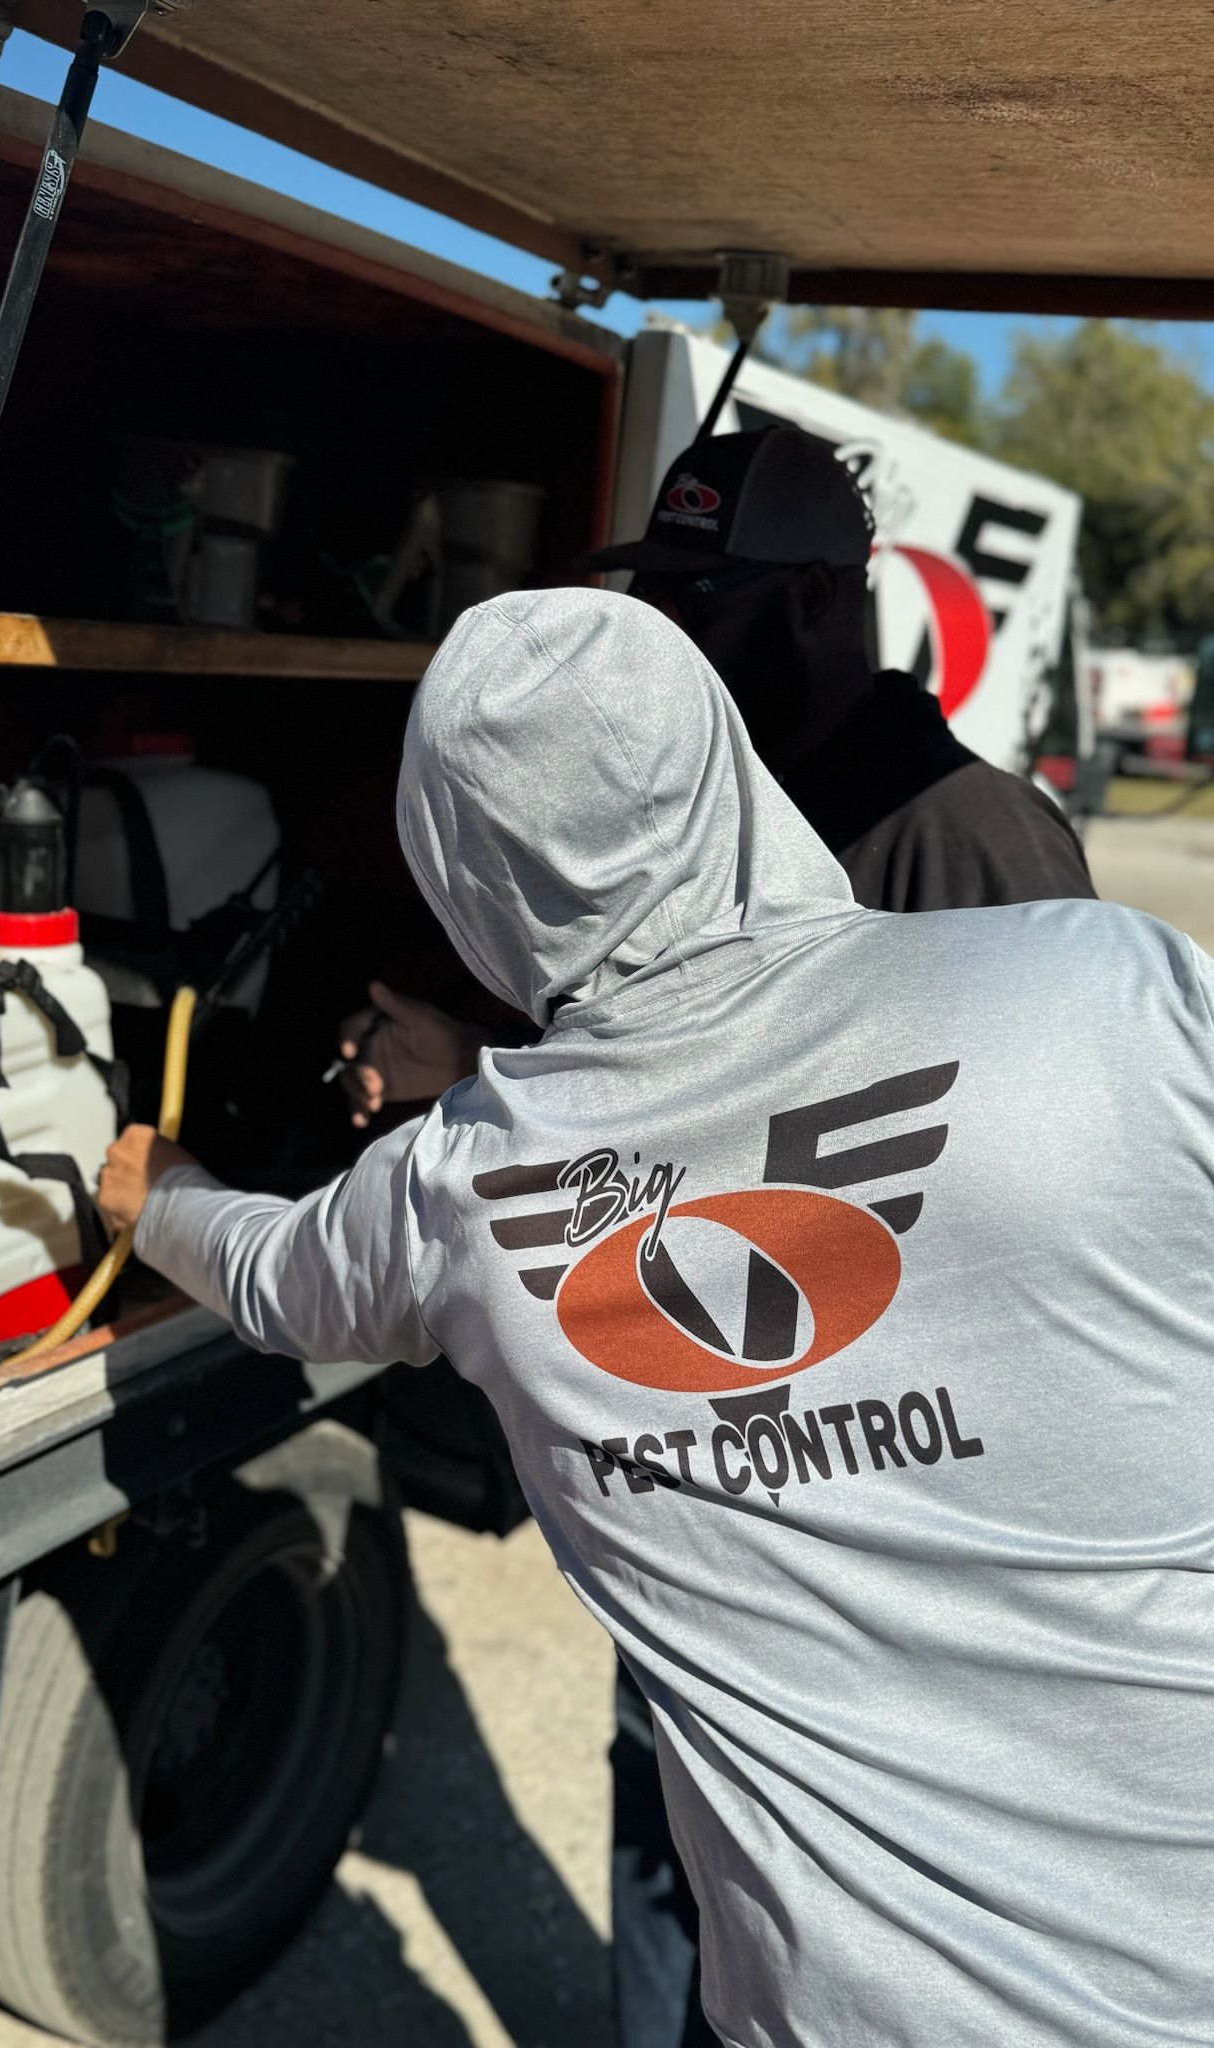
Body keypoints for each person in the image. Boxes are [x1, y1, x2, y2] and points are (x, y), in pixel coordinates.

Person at [101, 587, 1214, 2048]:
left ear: (455, 865)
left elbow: (270, 1279)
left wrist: (152, 1187)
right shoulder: (1113, 994)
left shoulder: (469, 1195)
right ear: (726, 764)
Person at [334, 425, 1097, 2048]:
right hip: (700, 1533)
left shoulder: (979, 846)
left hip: (860, 1597)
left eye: (705, 598)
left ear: (821, 600)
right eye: (657, 595)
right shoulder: (710, 811)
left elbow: (964, 1220)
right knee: (659, 1866)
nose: (666, 639)